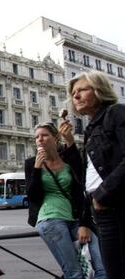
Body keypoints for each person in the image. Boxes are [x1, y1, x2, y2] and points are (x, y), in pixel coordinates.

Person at [25, 122, 106, 278]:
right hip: (50, 220)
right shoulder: (31, 163)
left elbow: (81, 190)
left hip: (75, 218)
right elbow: (32, 196)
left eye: (44, 135)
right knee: (74, 273)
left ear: (55, 138)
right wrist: (36, 168)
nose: (39, 139)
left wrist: (84, 223)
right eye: (36, 137)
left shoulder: (68, 160)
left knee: (102, 268)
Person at [68, 70, 125, 278]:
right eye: (73, 92)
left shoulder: (115, 113)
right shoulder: (90, 129)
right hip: (101, 210)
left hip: (116, 205)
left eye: (82, 89)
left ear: (99, 90)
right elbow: (87, 177)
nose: (75, 96)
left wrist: (102, 194)